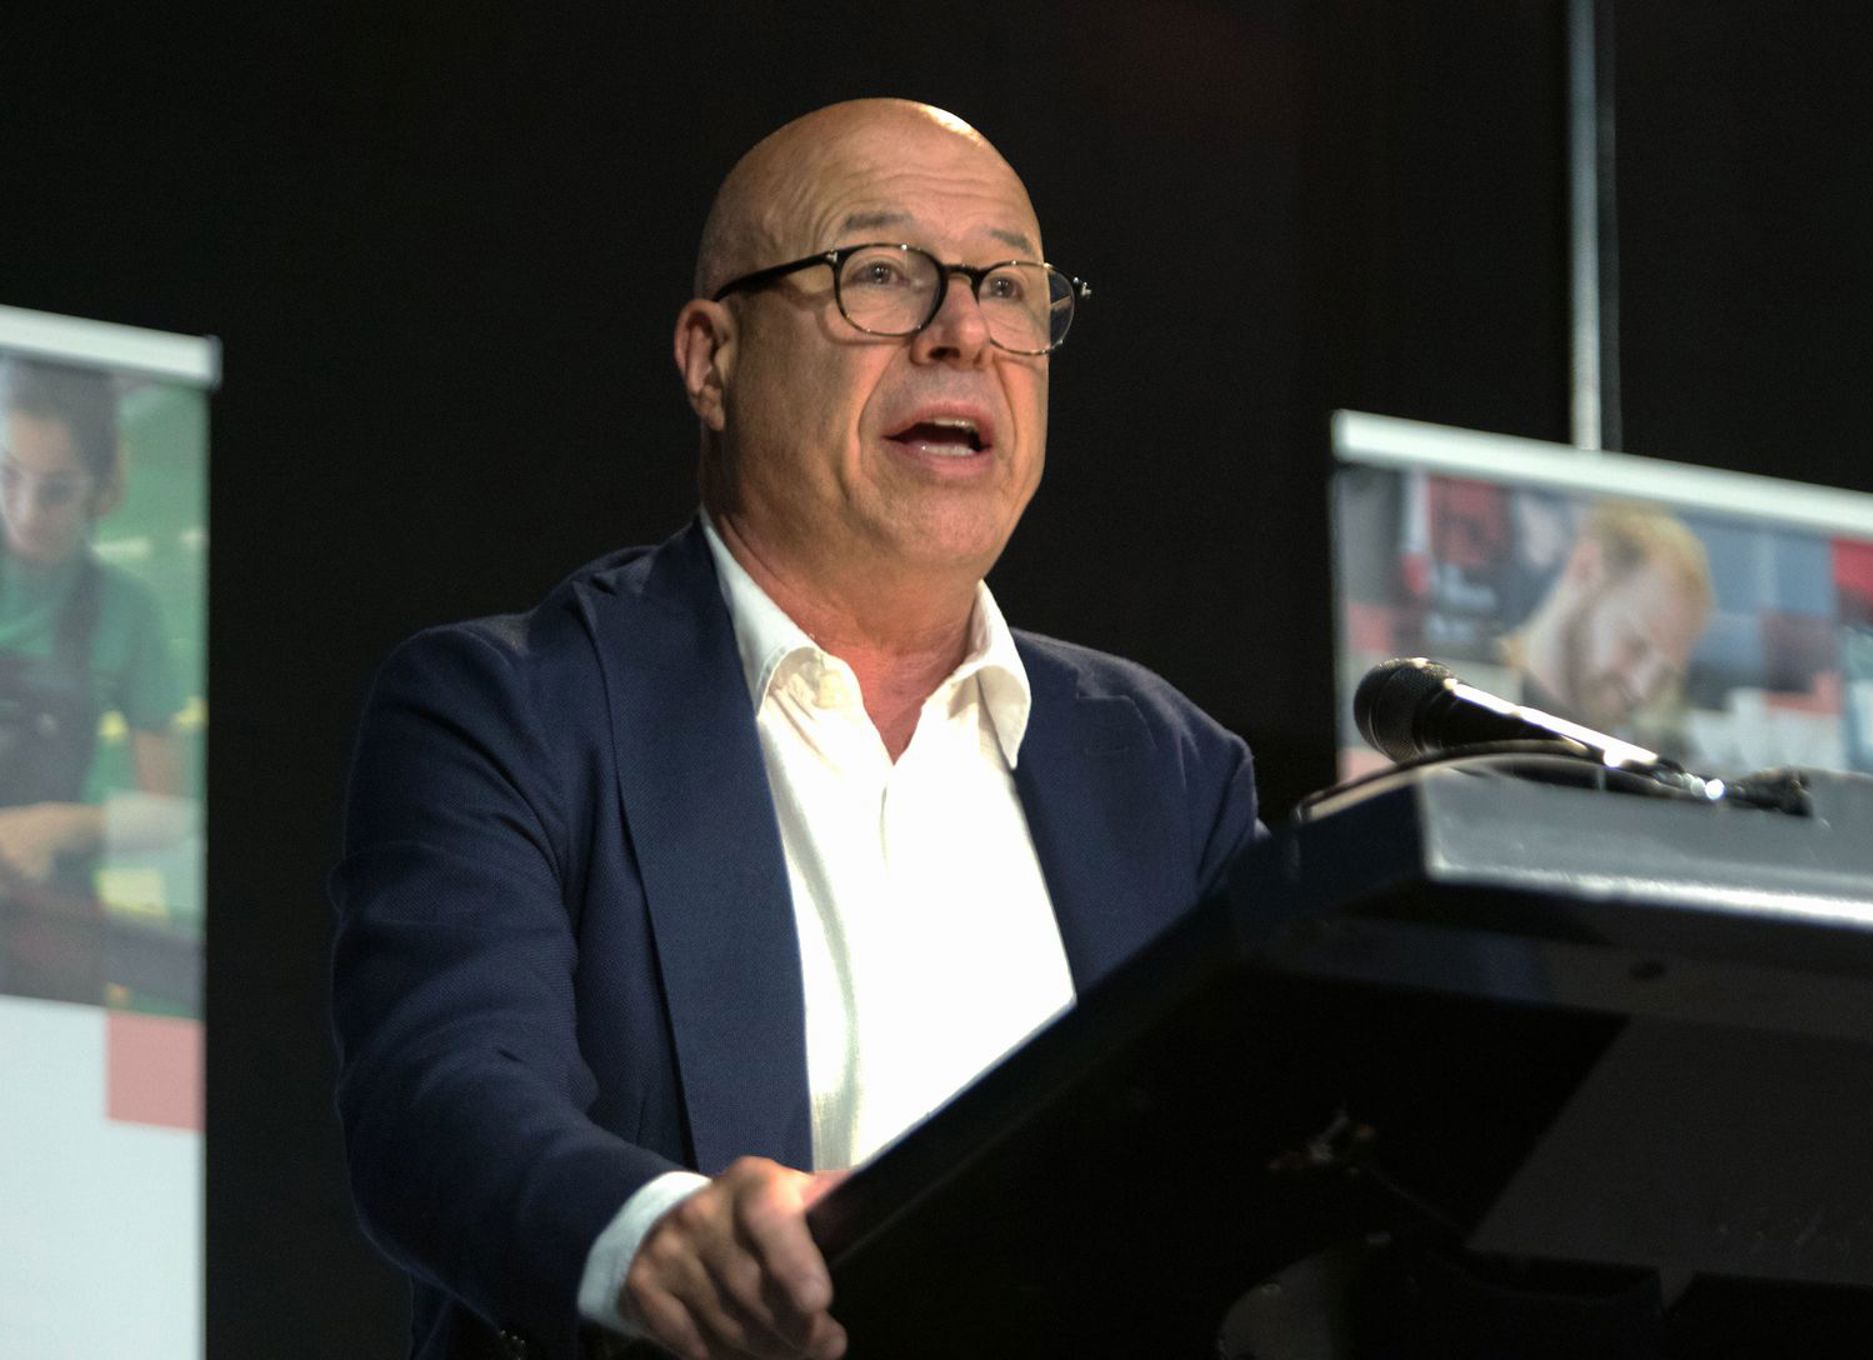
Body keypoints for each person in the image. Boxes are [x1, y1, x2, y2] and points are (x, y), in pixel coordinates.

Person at [331, 99, 1261, 1360]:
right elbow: (439, 1096)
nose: (960, 332)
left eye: (1006, 287)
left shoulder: (1166, 774)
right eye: (879, 273)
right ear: (710, 359)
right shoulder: (513, 711)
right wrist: (658, 1239)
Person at [0, 357, 187, 1003]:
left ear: (103, 490)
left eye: (56, 491)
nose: (25, 512)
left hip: (52, 928)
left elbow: (167, 816)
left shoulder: (129, 613)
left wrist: (57, 826)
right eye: (7, 476)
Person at [1501, 500, 1713, 732]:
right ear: (1585, 568)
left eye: (1663, 676)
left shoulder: (1624, 749)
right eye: (1636, 645)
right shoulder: (1476, 701)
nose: (1640, 690)